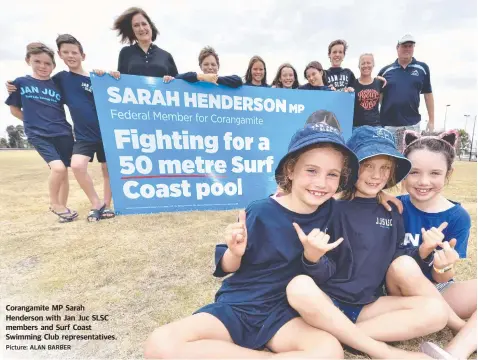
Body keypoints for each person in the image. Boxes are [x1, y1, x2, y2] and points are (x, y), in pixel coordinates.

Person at [143, 124, 361, 358]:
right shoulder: (260, 211)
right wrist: (235, 253)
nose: (321, 182)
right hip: (240, 305)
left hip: (285, 313)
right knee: (160, 343)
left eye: (332, 174)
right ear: (290, 170)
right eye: (311, 170)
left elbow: (327, 273)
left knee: (329, 351)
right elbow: (227, 267)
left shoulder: (335, 214)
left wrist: (313, 258)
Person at [285, 126, 449, 359]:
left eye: (385, 168)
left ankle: (343, 337)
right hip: (326, 303)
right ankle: (382, 351)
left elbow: (397, 256)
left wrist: (423, 252)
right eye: (368, 166)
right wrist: (312, 259)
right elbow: (315, 269)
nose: (376, 176)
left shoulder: (392, 210)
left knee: (436, 311)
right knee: (299, 287)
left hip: (367, 307)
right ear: (350, 168)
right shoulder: (329, 207)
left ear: (392, 172)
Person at [384, 130, 476, 360]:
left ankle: (455, 351)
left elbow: (444, 279)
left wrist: (443, 267)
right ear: (404, 172)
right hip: (397, 292)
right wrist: (423, 252)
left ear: (448, 174)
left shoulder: (458, 216)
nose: (424, 182)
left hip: (438, 291)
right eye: (414, 172)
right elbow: (389, 265)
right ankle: (461, 328)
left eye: (435, 173)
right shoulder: (392, 206)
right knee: (403, 265)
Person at [6, 35, 115, 222]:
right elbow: (36, 86)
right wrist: (13, 87)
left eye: (74, 52)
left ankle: (106, 204)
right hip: (83, 136)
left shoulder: (95, 79)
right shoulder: (60, 79)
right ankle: (95, 203)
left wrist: (112, 76)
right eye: (65, 52)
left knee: (107, 169)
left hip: (105, 132)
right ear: (60, 55)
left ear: (83, 55)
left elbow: (115, 94)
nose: (70, 56)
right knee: (76, 165)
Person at [5, 43, 77, 223]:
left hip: (62, 132)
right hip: (39, 134)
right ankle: (55, 203)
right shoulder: (21, 83)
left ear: (53, 65)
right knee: (58, 168)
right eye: (37, 61)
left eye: (47, 63)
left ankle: (63, 209)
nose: (42, 66)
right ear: (28, 60)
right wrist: (32, 123)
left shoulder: (57, 84)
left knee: (64, 172)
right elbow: (14, 109)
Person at [378, 34, 434, 151]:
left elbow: (428, 95)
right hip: (388, 126)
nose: (407, 49)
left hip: (412, 125)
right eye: (404, 46)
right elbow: (378, 98)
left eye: (410, 46)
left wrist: (431, 120)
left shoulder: (422, 68)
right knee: (390, 160)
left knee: (411, 160)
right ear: (397, 47)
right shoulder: (385, 71)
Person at [114, 7, 178, 77]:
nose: (141, 28)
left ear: (150, 26)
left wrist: (172, 79)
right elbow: (121, 82)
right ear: (132, 30)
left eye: (144, 24)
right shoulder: (125, 52)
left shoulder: (166, 56)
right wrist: (102, 76)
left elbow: (177, 82)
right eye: (136, 25)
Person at [164, 46, 242, 88]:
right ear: (201, 66)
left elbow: (238, 80)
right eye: (206, 64)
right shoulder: (195, 80)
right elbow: (177, 77)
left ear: (218, 66)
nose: (210, 67)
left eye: (213, 64)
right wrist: (202, 77)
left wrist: (214, 78)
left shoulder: (225, 82)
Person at [352, 54, 385, 128]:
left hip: (376, 126)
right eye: (363, 63)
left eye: (368, 63)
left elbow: (383, 105)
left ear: (373, 65)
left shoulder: (379, 83)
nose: (366, 65)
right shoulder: (353, 83)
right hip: (357, 127)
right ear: (359, 66)